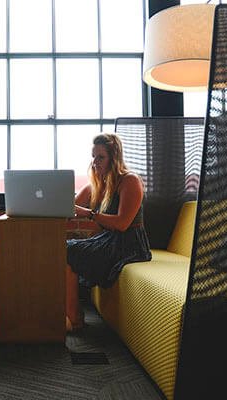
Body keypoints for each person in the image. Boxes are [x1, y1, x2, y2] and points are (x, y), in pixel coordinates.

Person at [66, 133, 152, 331]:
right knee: (64, 249)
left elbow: (122, 224)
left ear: (114, 158)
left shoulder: (129, 181)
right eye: (93, 157)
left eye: (100, 157)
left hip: (129, 244)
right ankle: (72, 314)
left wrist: (89, 214)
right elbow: (70, 207)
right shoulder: (97, 184)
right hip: (108, 240)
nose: (95, 162)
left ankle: (75, 318)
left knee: (68, 251)